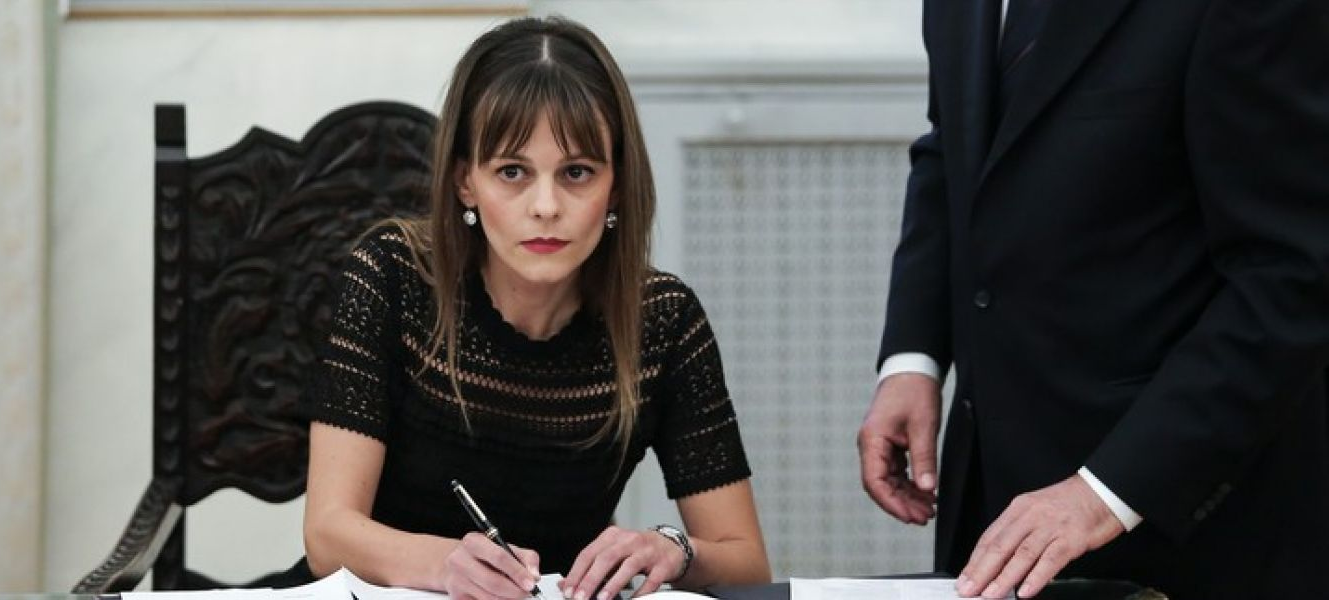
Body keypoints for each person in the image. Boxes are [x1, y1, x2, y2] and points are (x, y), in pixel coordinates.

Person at [857, 0, 1329, 598]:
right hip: (995, 512)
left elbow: (1293, 276)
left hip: (1189, 522)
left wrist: (1109, 491)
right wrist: (913, 359)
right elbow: (953, 144)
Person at [299, 16, 770, 600]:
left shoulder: (664, 321)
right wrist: (445, 565)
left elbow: (748, 564)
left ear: (616, 184)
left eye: (577, 172)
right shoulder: (392, 276)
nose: (546, 206)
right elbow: (327, 534)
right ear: (465, 182)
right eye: (512, 172)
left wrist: (676, 549)